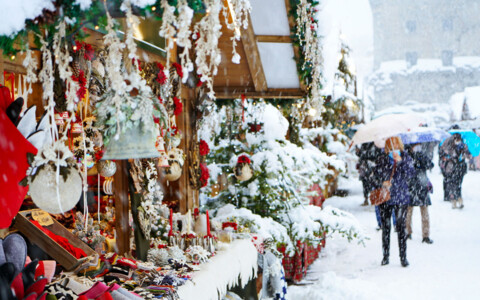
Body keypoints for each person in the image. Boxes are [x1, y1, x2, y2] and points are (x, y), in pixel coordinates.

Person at [372, 137, 416, 267]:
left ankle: (403, 257)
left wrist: (401, 162)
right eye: (391, 143)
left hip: (401, 196)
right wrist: (382, 182)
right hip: (385, 197)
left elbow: (411, 174)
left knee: (401, 227)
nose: (394, 146)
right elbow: (375, 176)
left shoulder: (406, 157)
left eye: (396, 143)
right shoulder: (382, 159)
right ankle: (385, 256)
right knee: (386, 227)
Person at [406, 144, 434, 244]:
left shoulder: (420, 155)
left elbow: (430, 165)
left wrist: (421, 159)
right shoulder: (407, 156)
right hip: (412, 186)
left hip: (420, 187)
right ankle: (408, 232)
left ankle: (425, 235)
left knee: (423, 212)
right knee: (409, 212)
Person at [439, 133, 471, 209]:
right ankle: (454, 200)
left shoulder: (463, 146)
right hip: (451, 168)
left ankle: (459, 200)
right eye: (457, 140)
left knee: (458, 184)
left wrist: (464, 155)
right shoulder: (448, 146)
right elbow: (444, 155)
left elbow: (468, 155)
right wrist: (450, 158)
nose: (458, 141)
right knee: (453, 184)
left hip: (460, 168)